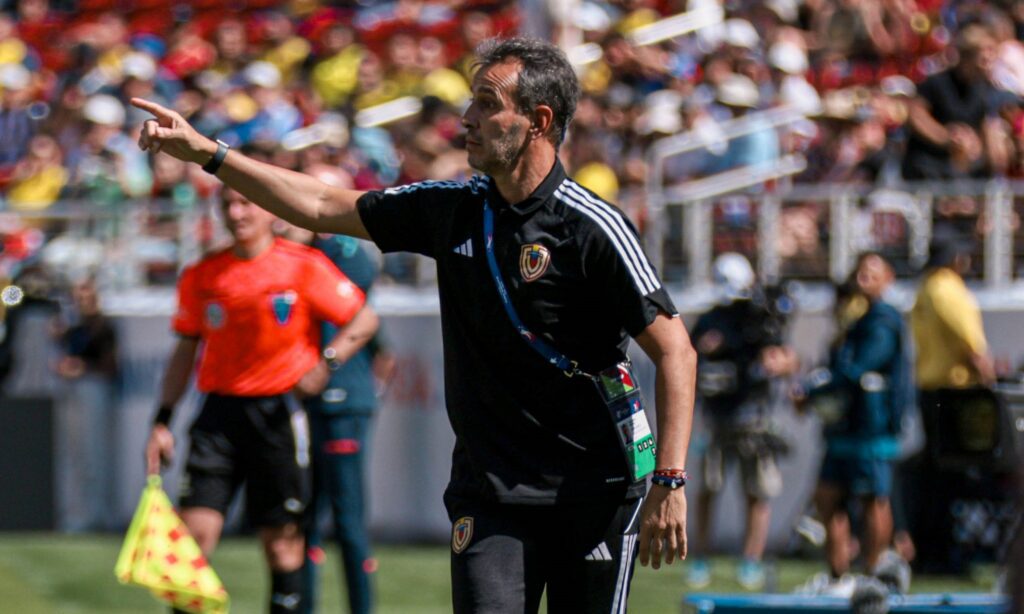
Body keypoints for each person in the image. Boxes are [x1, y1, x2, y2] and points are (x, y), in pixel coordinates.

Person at [134, 35, 696, 613]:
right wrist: (207, 152)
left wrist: (670, 481)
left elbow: (676, 351)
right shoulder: (450, 209)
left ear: (537, 120)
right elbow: (323, 205)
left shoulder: (593, 226)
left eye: (485, 103)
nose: (466, 117)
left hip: (594, 491)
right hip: (489, 495)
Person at [144, 187, 379, 614]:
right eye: (227, 206)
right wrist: (162, 419)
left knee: (282, 546)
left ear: (268, 210)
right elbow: (184, 352)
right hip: (217, 416)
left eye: (245, 203)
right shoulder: (203, 274)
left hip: (279, 416)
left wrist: (326, 362)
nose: (236, 214)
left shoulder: (303, 266)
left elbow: (364, 318)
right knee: (193, 541)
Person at [686, 253, 797, 590]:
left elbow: (785, 359)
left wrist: (775, 362)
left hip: (754, 417)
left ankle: (751, 559)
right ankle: (700, 556)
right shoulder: (709, 321)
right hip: (717, 416)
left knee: (757, 492)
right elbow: (688, 359)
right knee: (709, 487)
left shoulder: (760, 318)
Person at [799, 252, 908, 584]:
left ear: (888, 278)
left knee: (873, 498)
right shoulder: (856, 320)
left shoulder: (884, 321)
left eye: (872, 273)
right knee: (829, 497)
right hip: (844, 428)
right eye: (860, 272)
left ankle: (873, 574)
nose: (864, 279)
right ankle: (836, 576)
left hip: (870, 429)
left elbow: (857, 368)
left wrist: (813, 391)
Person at [299, 233, 386, 614]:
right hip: (309, 400)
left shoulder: (344, 252)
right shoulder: (305, 254)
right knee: (302, 521)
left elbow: (355, 300)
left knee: (348, 520)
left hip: (340, 400)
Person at [908, 238, 994, 573]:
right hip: (954, 393)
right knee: (949, 477)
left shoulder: (924, 290)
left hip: (930, 390)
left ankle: (930, 551)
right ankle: (943, 555)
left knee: (934, 476)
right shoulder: (948, 290)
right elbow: (971, 345)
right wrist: (990, 380)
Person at [54, 275, 119, 532]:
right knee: (75, 455)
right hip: (73, 393)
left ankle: (99, 512)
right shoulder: (73, 329)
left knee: (95, 454)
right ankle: (77, 513)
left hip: (94, 391)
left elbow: (110, 366)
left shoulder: (104, 328)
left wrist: (83, 369)